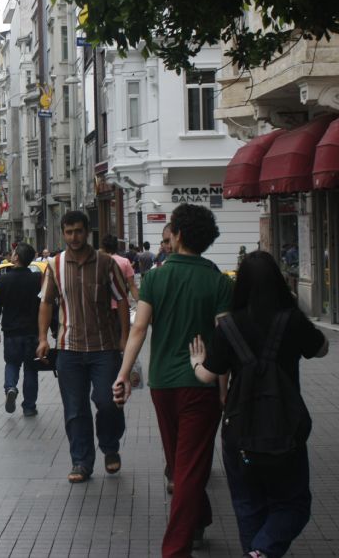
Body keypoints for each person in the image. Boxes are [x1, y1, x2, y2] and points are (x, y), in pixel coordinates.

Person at [188, 250, 328, 558]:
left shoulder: (228, 326)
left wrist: (197, 361)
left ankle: (257, 550)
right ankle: (263, 550)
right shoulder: (291, 319)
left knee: (248, 505)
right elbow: (321, 349)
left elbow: (208, 376)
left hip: (240, 429)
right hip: (285, 429)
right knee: (293, 504)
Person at [113, 204, 231, 557]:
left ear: (177, 235)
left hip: (164, 384)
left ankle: (178, 545)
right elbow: (224, 340)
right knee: (190, 465)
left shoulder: (155, 278)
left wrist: (123, 375)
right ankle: (191, 527)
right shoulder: (219, 281)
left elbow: (138, 328)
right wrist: (223, 390)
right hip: (201, 384)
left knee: (182, 464)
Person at [37, 213, 130, 484]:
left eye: (78, 231)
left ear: (88, 232)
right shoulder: (54, 265)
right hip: (69, 349)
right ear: (62, 233)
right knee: (75, 409)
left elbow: (122, 299)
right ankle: (81, 461)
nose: (73, 237)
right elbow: (46, 303)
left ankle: (110, 446)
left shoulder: (106, 263)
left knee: (108, 402)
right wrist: (43, 338)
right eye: (68, 232)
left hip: (104, 348)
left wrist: (125, 337)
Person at [0, 243, 42, 416]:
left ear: (17, 257)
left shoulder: (4, 280)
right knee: (31, 369)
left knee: (12, 363)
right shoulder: (36, 280)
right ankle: (29, 406)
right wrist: (52, 330)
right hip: (32, 331)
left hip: (11, 331)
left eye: (13, 252)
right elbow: (46, 306)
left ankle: (10, 387)